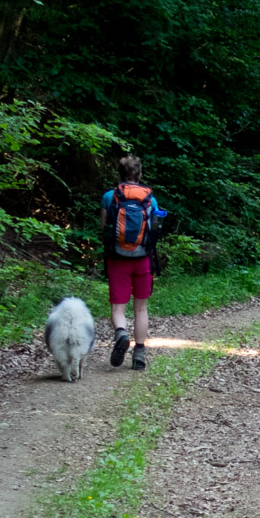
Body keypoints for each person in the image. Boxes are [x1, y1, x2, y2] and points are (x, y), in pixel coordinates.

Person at [100, 154, 162, 371]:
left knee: (118, 307)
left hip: (118, 258)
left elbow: (104, 227)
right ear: (140, 174)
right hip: (143, 259)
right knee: (141, 308)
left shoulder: (110, 196)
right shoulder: (150, 199)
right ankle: (140, 354)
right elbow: (154, 231)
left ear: (120, 174)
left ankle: (121, 334)